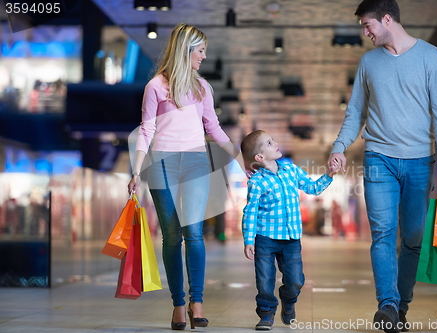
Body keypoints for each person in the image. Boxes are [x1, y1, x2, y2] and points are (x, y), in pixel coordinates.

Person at [327, 1, 437, 332]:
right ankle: (386, 305)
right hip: (378, 158)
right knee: (383, 233)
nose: (365, 32)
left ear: (388, 20)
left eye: (368, 25)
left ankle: (401, 305)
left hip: (418, 160)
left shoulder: (431, 57)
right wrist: (339, 147)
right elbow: (355, 111)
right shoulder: (369, 62)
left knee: (412, 237)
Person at [127, 23, 242, 331]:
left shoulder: (203, 88)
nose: (204, 56)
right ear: (187, 50)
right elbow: (146, 129)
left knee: (193, 234)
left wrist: (240, 157)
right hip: (160, 166)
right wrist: (136, 171)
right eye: (201, 50)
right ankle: (179, 304)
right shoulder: (155, 87)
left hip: (194, 165)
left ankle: (197, 302)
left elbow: (213, 128)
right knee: (171, 236)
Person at [241, 130, 338, 331]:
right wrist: (249, 240)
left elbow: (312, 188)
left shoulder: (291, 170)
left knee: (296, 281)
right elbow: (250, 211)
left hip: (292, 239)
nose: (275, 143)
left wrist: (328, 175)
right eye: (269, 143)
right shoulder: (257, 181)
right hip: (265, 238)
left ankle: (289, 299)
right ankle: (266, 313)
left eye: (272, 139)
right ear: (259, 157)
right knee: (265, 279)